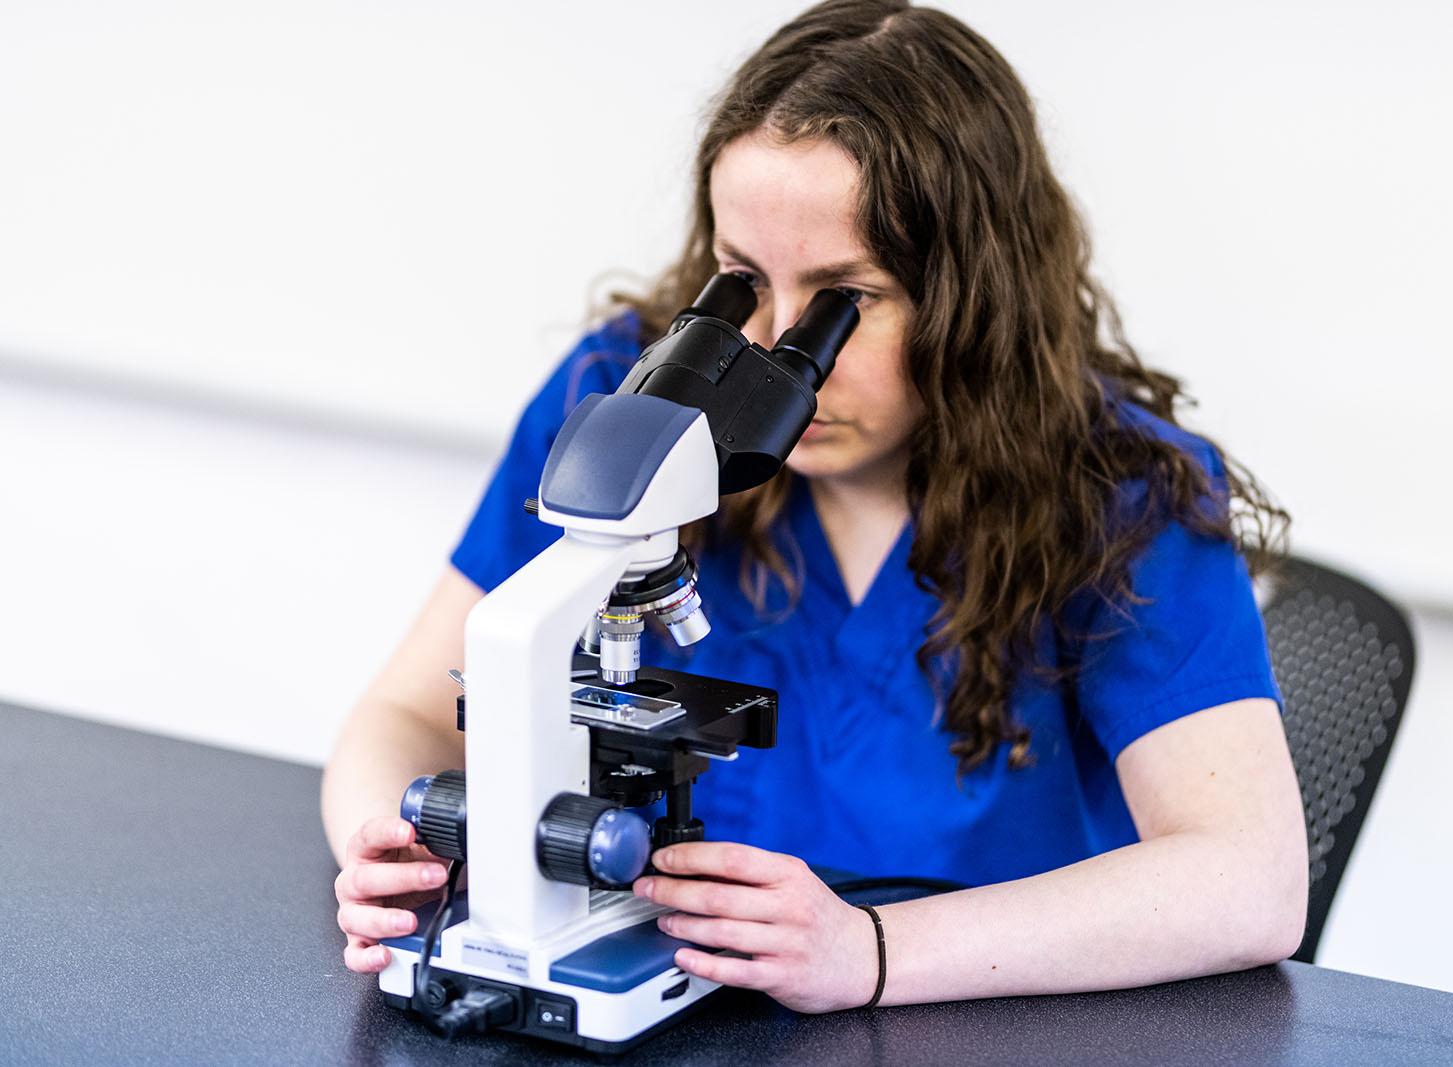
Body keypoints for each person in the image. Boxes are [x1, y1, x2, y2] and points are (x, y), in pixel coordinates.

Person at [322, 0, 1307, 1015]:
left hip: (968, 1021)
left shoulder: (1115, 489)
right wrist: (394, 849)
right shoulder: (622, 401)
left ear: (975, 293)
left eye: (849, 299)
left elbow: (1249, 879)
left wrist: (872, 951)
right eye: (745, 282)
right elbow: (406, 714)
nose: (779, 353)